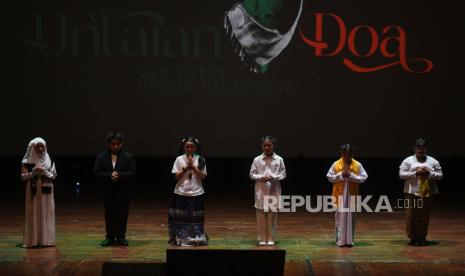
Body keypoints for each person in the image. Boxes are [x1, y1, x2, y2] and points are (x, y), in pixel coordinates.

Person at [93, 132, 137, 246]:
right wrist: (109, 175)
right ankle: (110, 237)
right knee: (109, 215)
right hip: (107, 191)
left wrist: (119, 175)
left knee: (122, 215)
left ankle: (121, 237)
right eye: (113, 144)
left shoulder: (128, 156)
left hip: (123, 191)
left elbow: (132, 172)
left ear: (121, 144)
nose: (115, 146)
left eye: (118, 144)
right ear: (108, 145)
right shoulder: (101, 157)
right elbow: (96, 172)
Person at [399, 138, 442, 246]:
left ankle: (422, 237)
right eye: (418, 148)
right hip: (412, 192)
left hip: (427, 192)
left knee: (424, 215)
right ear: (414, 148)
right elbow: (401, 175)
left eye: (423, 148)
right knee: (411, 214)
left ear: (426, 148)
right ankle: (413, 237)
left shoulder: (433, 161)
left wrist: (429, 173)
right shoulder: (408, 160)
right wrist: (415, 173)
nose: (421, 150)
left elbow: (440, 175)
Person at [169, 137, 209, 246]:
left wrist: (194, 168)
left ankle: (196, 238)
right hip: (181, 192)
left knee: (195, 217)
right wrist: (186, 167)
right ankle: (180, 238)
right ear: (183, 147)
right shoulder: (179, 159)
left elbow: (203, 177)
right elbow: (176, 176)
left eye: (192, 147)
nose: (189, 149)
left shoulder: (201, 159)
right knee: (181, 217)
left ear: (196, 148)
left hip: (197, 192)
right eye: (187, 147)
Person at [326, 144, 368, 247]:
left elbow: (364, 177)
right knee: (339, 218)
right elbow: (329, 177)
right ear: (342, 154)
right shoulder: (336, 164)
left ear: (352, 154)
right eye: (345, 154)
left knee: (352, 218)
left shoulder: (357, 165)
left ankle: (350, 241)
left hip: (352, 196)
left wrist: (351, 176)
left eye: (349, 154)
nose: (347, 157)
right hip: (339, 195)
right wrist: (341, 175)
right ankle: (340, 240)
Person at [20, 137, 57, 248]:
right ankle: (34, 239)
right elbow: (22, 177)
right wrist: (33, 172)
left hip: (47, 188)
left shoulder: (49, 159)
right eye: (38, 147)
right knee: (35, 212)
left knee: (46, 212)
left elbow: (54, 175)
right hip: (33, 189)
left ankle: (46, 239)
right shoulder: (27, 161)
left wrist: (44, 171)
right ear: (33, 147)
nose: (41, 149)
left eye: (42, 146)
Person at [249, 136, 286, 246]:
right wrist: (261, 177)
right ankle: (262, 238)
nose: (267, 147)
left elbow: (283, 174)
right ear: (262, 146)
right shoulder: (257, 159)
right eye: (265, 145)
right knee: (261, 214)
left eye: (269, 145)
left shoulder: (279, 159)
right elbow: (251, 174)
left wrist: (273, 177)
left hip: (274, 190)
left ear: (273, 146)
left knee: (272, 215)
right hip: (261, 190)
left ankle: (271, 238)